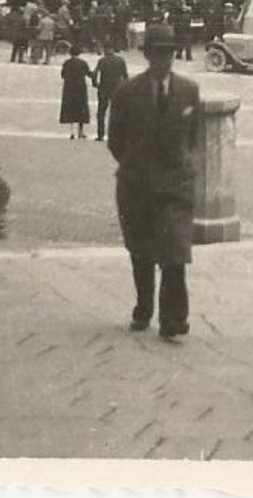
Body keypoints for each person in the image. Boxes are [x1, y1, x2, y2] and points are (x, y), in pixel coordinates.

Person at [107, 24, 203, 340]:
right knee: (141, 252)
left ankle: (174, 320)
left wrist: (179, 166)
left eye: (169, 53)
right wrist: (136, 166)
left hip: (175, 187)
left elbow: (195, 136)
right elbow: (115, 140)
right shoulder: (126, 92)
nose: (164, 60)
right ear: (147, 55)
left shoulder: (189, 91)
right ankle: (143, 307)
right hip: (137, 186)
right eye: (158, 53)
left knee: (175, 254)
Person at [93, 42, 130, 142]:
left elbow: (95, 73)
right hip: (117, 89)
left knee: (101, 112)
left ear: (106, 50)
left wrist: (95, 84)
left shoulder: (102, 60)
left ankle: (100, 135)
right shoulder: (120, 60)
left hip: (104, 89)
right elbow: (125, 75)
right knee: (117, 113)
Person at [59, 44, 94, 140]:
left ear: (70, 53)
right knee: (81, 108)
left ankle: (72, 132)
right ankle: (81, 131)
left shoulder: (66, 63)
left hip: (69, 88)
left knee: (70, 108)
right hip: (80, 88)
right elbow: (89, 74)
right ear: (79, 53)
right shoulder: (83, 63)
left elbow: (63, 75)